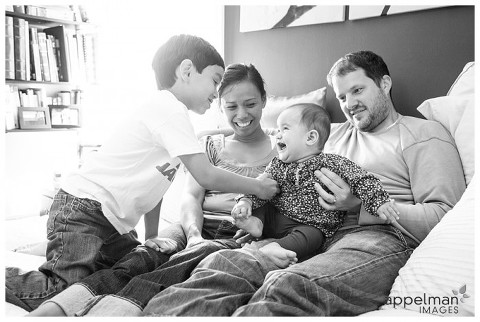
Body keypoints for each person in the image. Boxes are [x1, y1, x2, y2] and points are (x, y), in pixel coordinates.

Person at [139, 50, 466, 316]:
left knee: (287, 286)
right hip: (310, 233)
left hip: (377, 237)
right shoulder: (330, 135)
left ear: (384, 83)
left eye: (358, 90)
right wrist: (252, 211)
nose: (349, 103)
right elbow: (277, 164)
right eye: (341, 96)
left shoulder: (422, 135)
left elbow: (443, 218)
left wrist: (360, 205)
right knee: (227, 263)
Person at [5, 36, 279, 312]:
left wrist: (151, 235)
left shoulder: (176, 118)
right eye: (215, 80)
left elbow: (156, 186)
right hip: (85, 208)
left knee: (130, 265)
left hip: (113, 222)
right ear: (186, 71)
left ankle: (58, 252)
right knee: (63, 289)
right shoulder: (168, 110)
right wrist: (257, 186)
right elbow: (206, 175)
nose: (216, 91)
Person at [232, 103, 399, 266]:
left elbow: (362, 179)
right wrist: (245, 201)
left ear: (310, 137)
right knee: (263, 196)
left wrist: (379, 202)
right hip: (274, 216)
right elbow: (259, 185)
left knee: (314, 236)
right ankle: (256, 224)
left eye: (285, 129)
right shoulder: (277, 164)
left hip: (307, 224)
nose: (277, 134)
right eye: (277, 129)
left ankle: (278, 247)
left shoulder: (332, 163)